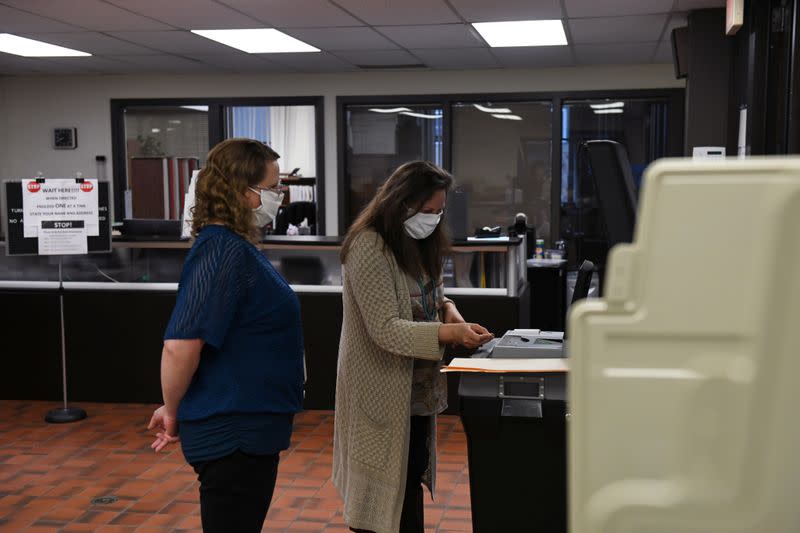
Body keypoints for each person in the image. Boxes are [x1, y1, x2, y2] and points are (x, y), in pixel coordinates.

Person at [147, 138, 304, 533]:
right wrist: (171, 411)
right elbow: (180, 345)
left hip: (250, 426)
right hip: (233, 432)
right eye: (272, 188)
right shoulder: (220, 251)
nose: (279, 197)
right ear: (240, 191)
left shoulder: (235, 247)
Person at [333, 160, 494, 533]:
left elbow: (429, 294)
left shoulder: (419, 241)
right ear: (399, 203)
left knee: (408, 489)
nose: (434, 220)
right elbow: (385, 329)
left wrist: (449, 311)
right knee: (381, 504)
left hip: (416, 395)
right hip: (381, 391)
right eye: (427, 211)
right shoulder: (369, 247)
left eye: (439, 212)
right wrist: (449, 335)